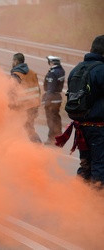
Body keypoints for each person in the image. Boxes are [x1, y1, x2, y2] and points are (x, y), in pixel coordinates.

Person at [56, 35, 104, 186]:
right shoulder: (102, 70)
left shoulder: (77, 69)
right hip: (99, 128)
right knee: (100, 166)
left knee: (85, 165)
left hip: (81, 126)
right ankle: (96, 204)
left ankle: (79, 199)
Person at [10, 53, 42, 143]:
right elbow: (38, 90)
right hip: (34, 105)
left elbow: (12, 92)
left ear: (16, 61)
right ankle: (27, 147)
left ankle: (38, 146)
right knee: (28, 127)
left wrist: (10, 105)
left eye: (13, 60)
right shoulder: (32, 73)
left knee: (26, 128)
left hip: (23, 107)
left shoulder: (16, 75)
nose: (12, 62)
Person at [42, 55, 65, 145]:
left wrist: (47, 100)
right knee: (56, 118)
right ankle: (59, 136)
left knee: (51, 119)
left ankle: (51, 138)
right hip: (57, 98)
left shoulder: (53, 73)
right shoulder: (61, 71)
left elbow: (50, 88)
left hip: (52, 99)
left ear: (51, 62)